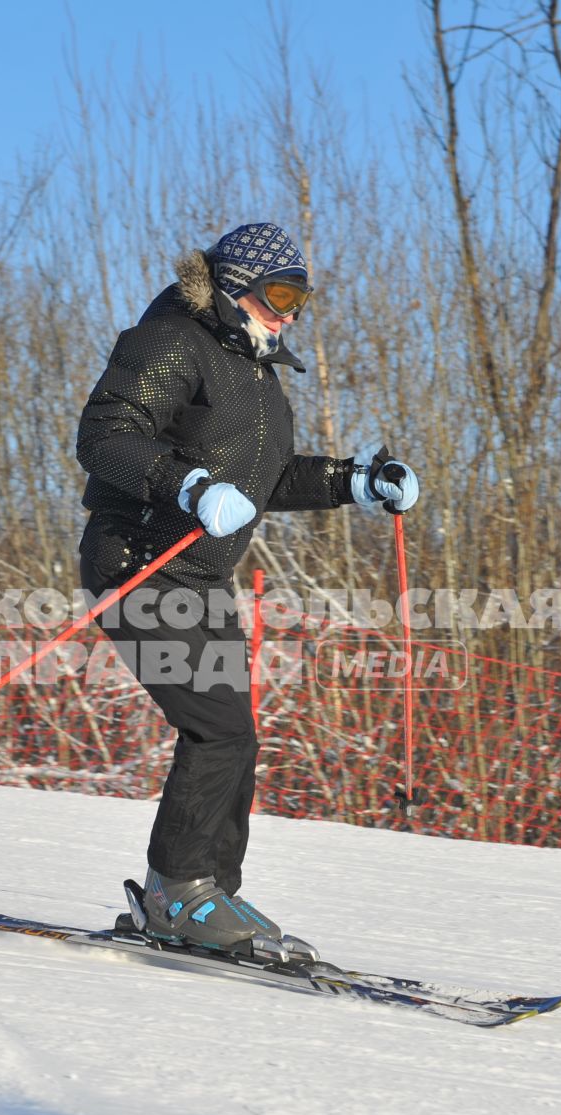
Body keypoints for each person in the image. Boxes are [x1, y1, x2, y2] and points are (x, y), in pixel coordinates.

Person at [74, 221, 421, 959]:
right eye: (280, 294)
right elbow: (105, 435)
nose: (291, 312)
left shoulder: (255, 374)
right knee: (218, 726)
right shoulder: (170, 340)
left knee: (235, 733)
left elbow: (268, 480)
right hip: (138, 560)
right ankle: (178, 894)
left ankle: (209, 891)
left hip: (201, 574)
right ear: (237, 286)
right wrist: (186, 484)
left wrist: (353, 482)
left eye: (302, 297)